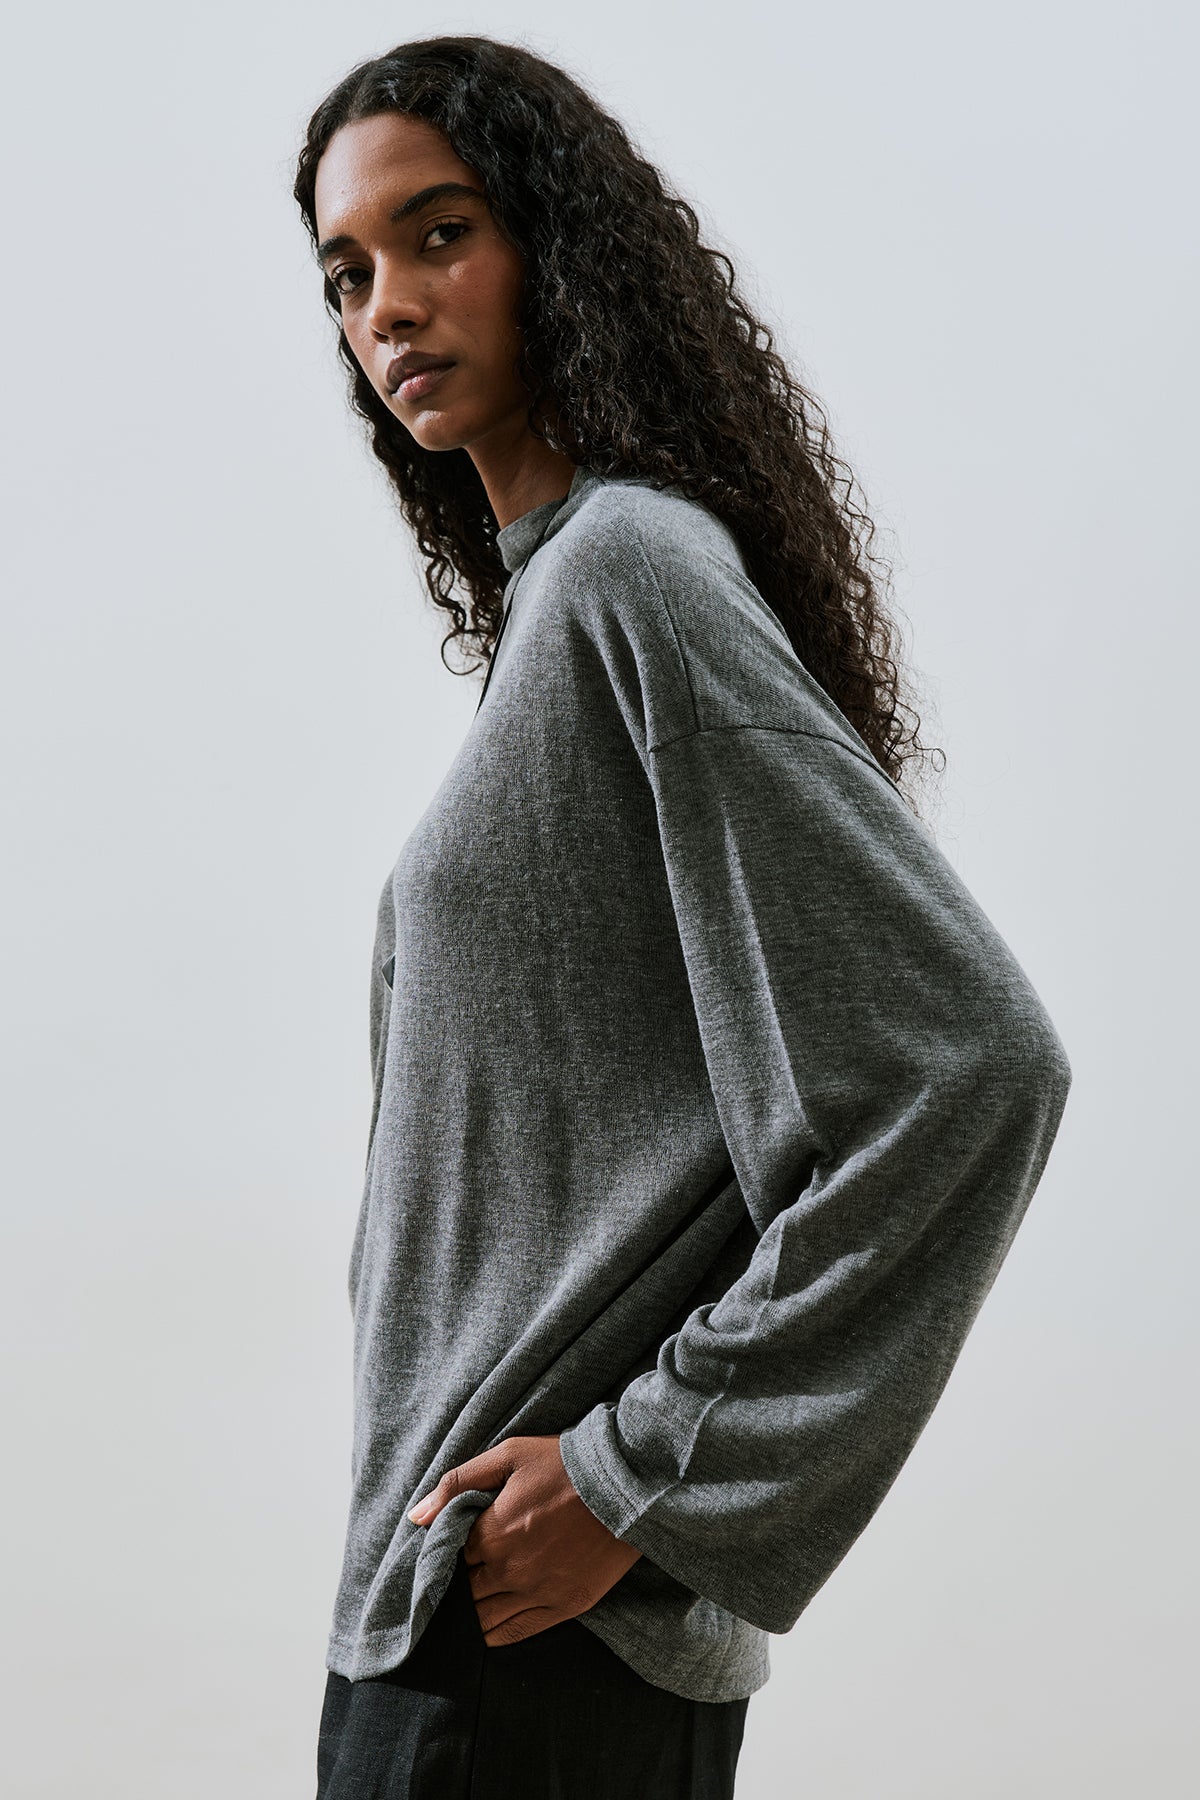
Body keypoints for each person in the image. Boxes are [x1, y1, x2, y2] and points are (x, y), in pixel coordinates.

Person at [292, 34, 1073, 1800]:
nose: (387, 304)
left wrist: (637, 1480)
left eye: (439, 233)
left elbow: (975, 1066)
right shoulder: (559, 613)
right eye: (346, 273)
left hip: (536, 1644)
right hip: (454, 1612)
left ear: (553, 246)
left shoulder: (633, 571)